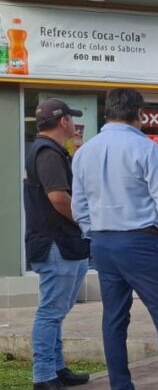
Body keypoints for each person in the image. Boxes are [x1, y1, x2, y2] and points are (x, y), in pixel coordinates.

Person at [71, 88, 158, 390]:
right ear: (140, 113)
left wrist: (93, 231)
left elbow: (79, 207)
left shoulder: (85, 151)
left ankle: (120, 385)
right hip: (140, 241)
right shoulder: (146, 149)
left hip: (102, 242)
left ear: (107, 112)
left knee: (113, 317)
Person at [25, 99, 90, 390]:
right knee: (51, 311)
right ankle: (43, 376)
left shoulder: (48, 150)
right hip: (56, 243)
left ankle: (56, 367)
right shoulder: (48, 153)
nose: (75, 124)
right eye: (72, 119)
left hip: (60, 243)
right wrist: (85, 221)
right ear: (63, 121)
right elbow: (58, 198)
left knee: (57, 311)